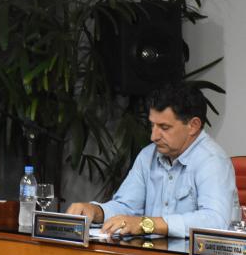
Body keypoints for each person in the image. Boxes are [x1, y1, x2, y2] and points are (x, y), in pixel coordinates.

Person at [67, 83, 239, 238]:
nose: (153, 136)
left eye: (164, 127)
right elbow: (127, 206)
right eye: (152, 125)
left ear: (193, 126)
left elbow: (215, 220)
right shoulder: (148, 155)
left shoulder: (212, 161)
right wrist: (96, 211)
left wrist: (147, 224)